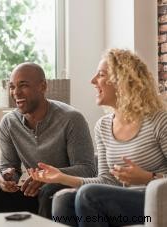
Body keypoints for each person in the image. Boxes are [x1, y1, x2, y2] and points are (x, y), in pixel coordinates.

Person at [29, 49, 167, 227]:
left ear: (122, 81)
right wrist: (60, 177)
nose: (93, 81)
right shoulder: (103, 126)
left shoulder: (159, 120)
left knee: (90, 195)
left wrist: (149, 177)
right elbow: (106, 181)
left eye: (101, 75)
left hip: (156, 202)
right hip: (121, 203)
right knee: (63, 199)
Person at [0, 62, 96, 219]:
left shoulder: (71, 119)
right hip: (33, 194)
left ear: (42, 86)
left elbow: (87, 170)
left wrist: (45, 178)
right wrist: (6, 177)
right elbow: (9, 166)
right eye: (12, 86)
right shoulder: (9, 122)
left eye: (23, 85)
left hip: (65, 197)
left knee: (50, 190)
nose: (16, 92)